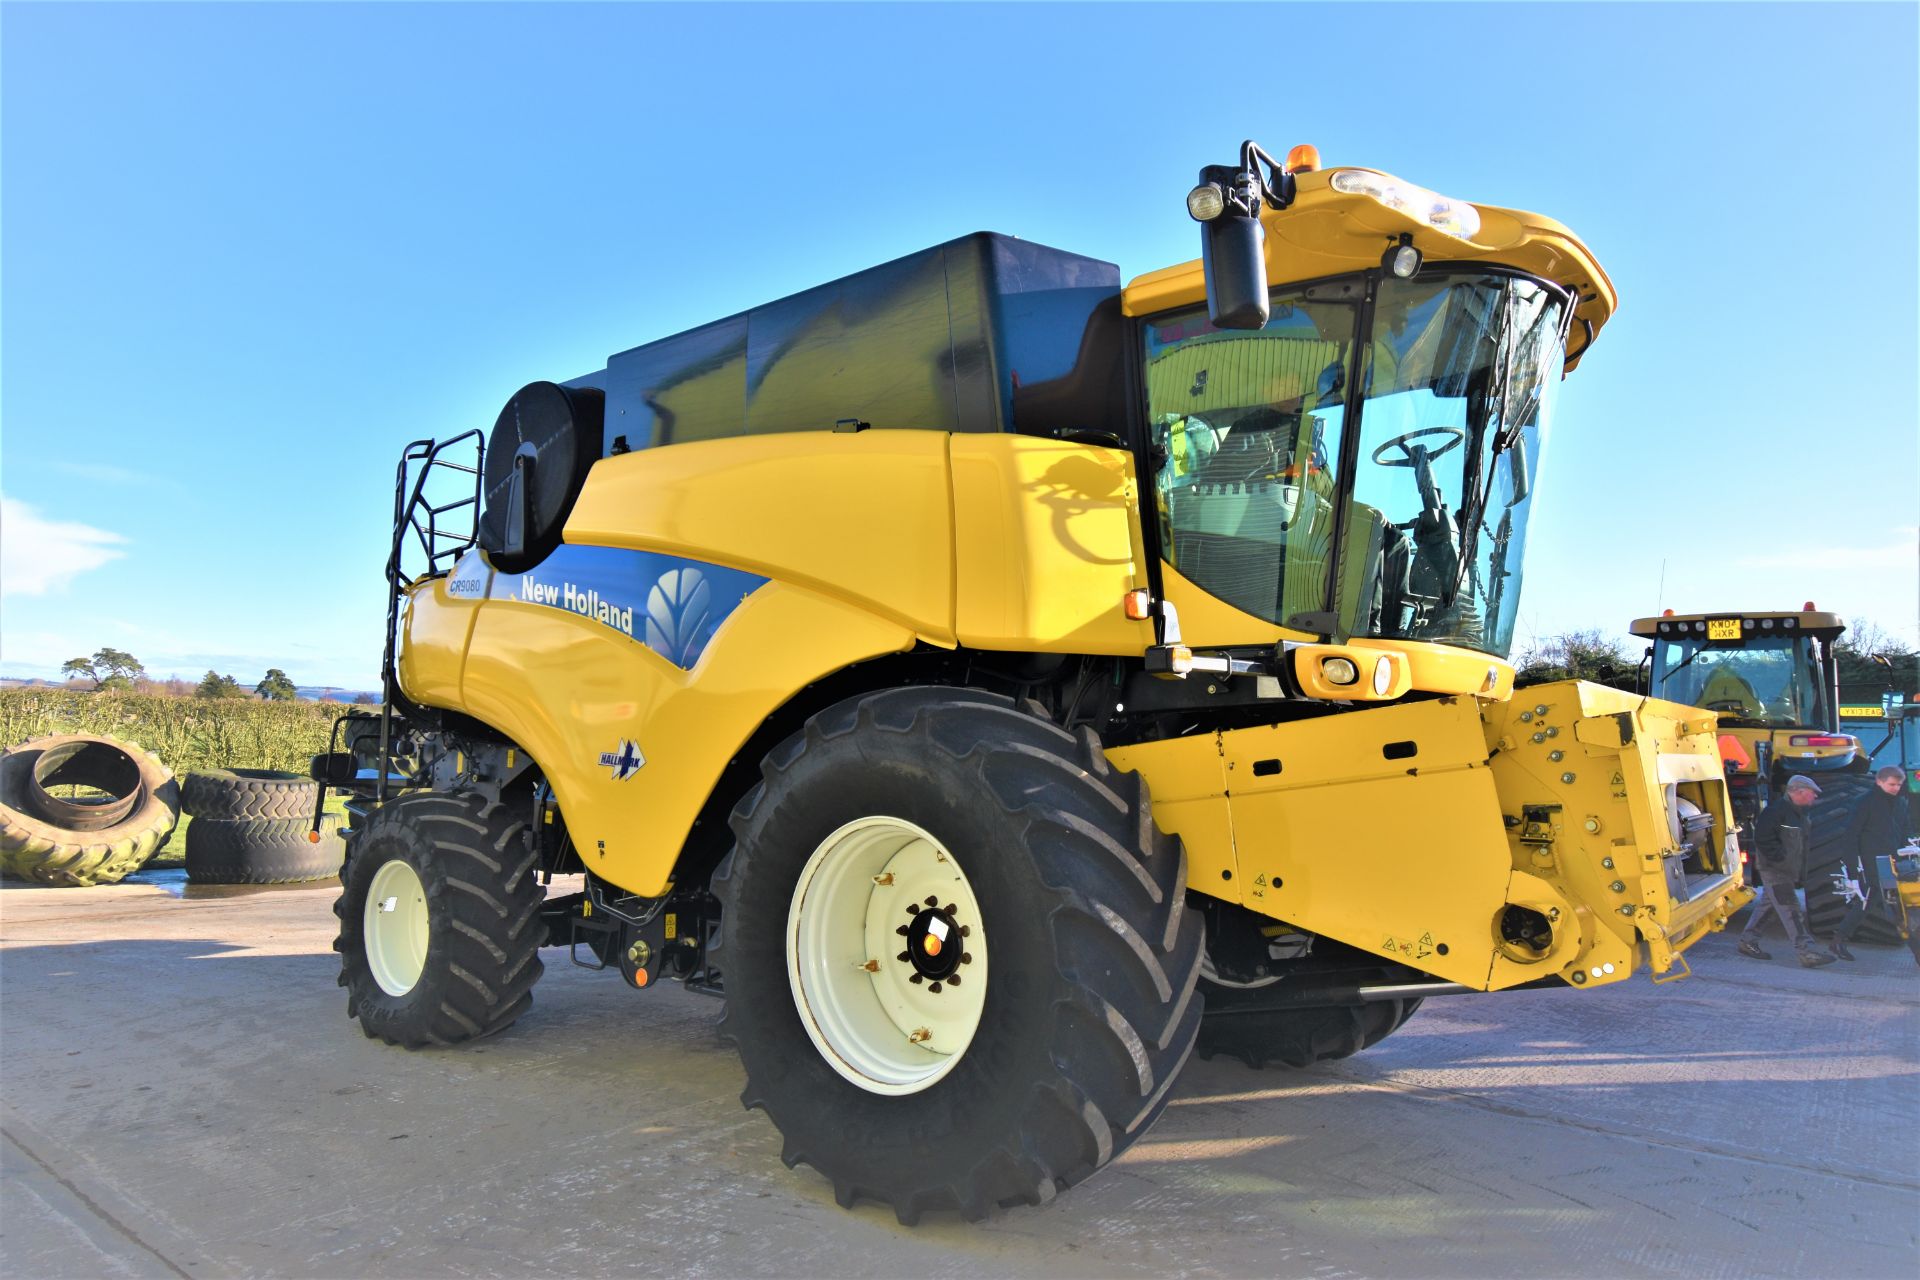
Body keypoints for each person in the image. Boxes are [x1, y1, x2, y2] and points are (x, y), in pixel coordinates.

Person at [1738, 774, 1837, 967]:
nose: (1815, 797)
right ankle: (1806, 952)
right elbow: (1763, 839)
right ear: (1798, 793)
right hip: (1775, 871)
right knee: (1791, 910)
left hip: (1786, 870)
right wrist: (1780, 859)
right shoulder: (1775, 812)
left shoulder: (1800, 813)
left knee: (1770, 906)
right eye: (1812, 793)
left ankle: (1747, 941)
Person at [1827, 765, 1920, 970]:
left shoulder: (1901, 803)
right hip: (1871, 863)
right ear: (1879, 782)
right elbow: (1852, 836)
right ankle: (1838, 940)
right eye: (1891, 784)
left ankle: (1917, 953)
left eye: (1899, 784)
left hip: (1894, 864)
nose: (1896, 788)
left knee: (1901, 907)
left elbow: (1905, 833)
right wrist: (1852, 870)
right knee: (1868, 902)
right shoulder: (1864, 803)